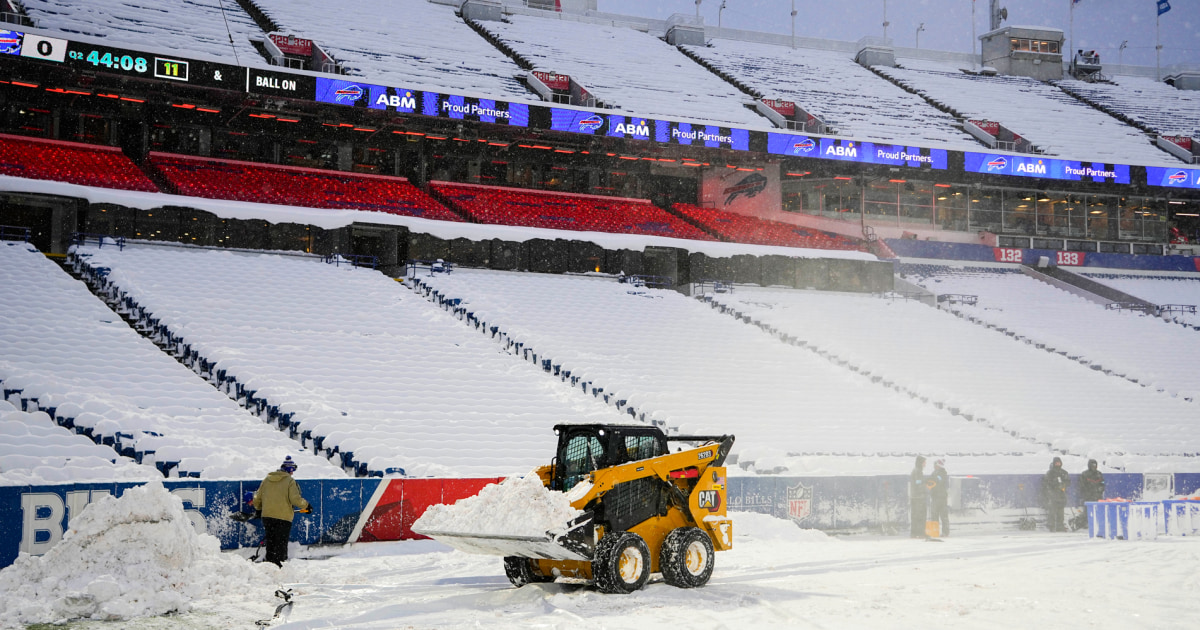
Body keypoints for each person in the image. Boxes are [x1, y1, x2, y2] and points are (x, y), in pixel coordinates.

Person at [252, 455, 310, 567]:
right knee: (281, 543)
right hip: (283, 518)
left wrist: (259, 509)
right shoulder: (290, 481)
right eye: (292, 471)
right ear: (290, 470)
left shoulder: (267, 479)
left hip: (267, 517)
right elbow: (295, 499)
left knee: (271, 542)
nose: (292, 473)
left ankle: (269, 564)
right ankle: (280, 566)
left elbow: (257, 498)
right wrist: (306, 505)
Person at [1041, 457, 1070, 532]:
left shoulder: (1064, 472)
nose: (1058, 464)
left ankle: (1060, 526)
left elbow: (1068, 482)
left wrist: (1063, 485)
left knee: (1061, 512)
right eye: (1056, 463)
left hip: (1061, 495)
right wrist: (1055, 485)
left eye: (1059, 463)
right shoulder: (1050, 473)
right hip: (1052, 495)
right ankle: (1051, 526)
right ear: (1054, 463)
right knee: (1052, 511)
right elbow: (1046, 483)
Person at [1078, 459, 1106, 526]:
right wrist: (1088, 491)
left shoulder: (1099, 474)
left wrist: (1101, 489)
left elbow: (1102, 482)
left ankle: (1097, 523)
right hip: (1088, 496)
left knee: (1098, 511)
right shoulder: (1084, 474)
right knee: (1087, 511)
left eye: (1095, 465)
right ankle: (1086, 524)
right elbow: (1082, 485)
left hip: (1098, 496)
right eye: (1092, 465)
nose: (1094, 466)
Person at [927, 459, 950, 537]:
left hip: (942, 497)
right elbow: (930, 481)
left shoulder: (943, 473)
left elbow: (941, 482)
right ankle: (934, 532)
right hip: (934, 497)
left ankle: (945, 532)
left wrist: (935, 481)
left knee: (943, 516)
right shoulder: (933, 473)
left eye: (935, 465)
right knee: (934, 515)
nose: (934, 467)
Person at [910, 455, 928, 538]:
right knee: (920, 515)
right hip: (919, 497)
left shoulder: (916, 470)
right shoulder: (918, 471)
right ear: (921, 463)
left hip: (914, 496)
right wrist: (925, 489)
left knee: (915, 515)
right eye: (924, 462)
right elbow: (918, 483)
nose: (925, 464)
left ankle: (914, 533)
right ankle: (920, 533)